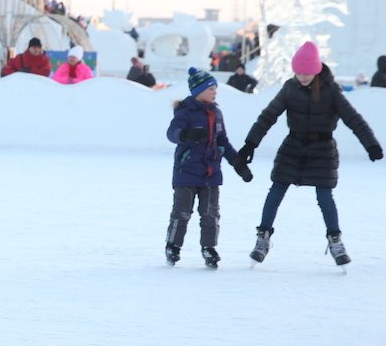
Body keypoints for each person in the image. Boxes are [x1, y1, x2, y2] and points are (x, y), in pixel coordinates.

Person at [238, 41, 382, 267]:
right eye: (299, 72)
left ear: (315, 70)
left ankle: (335, 241)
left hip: (322, 149)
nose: (302, 77)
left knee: (324, 196)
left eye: (307, 73)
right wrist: (250, 144)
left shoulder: (331, 91)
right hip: (293, 146)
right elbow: (268, 116)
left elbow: (353, 119)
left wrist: (371, 145)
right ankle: (262, 239)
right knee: (276, 190)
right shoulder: (289, 88)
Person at [164, 68, 253, 268]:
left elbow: (223, 141)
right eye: (211, 88)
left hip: (211, 174)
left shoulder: (217, 112)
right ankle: (173, 246)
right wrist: (185, 134)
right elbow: (171, 133)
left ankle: (209, 248)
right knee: (181, 212)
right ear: (198, 91)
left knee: (211, 214)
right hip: (186, 173)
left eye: (215, 88)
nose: (215, 92)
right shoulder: (185, 112)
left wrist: (238, 163)